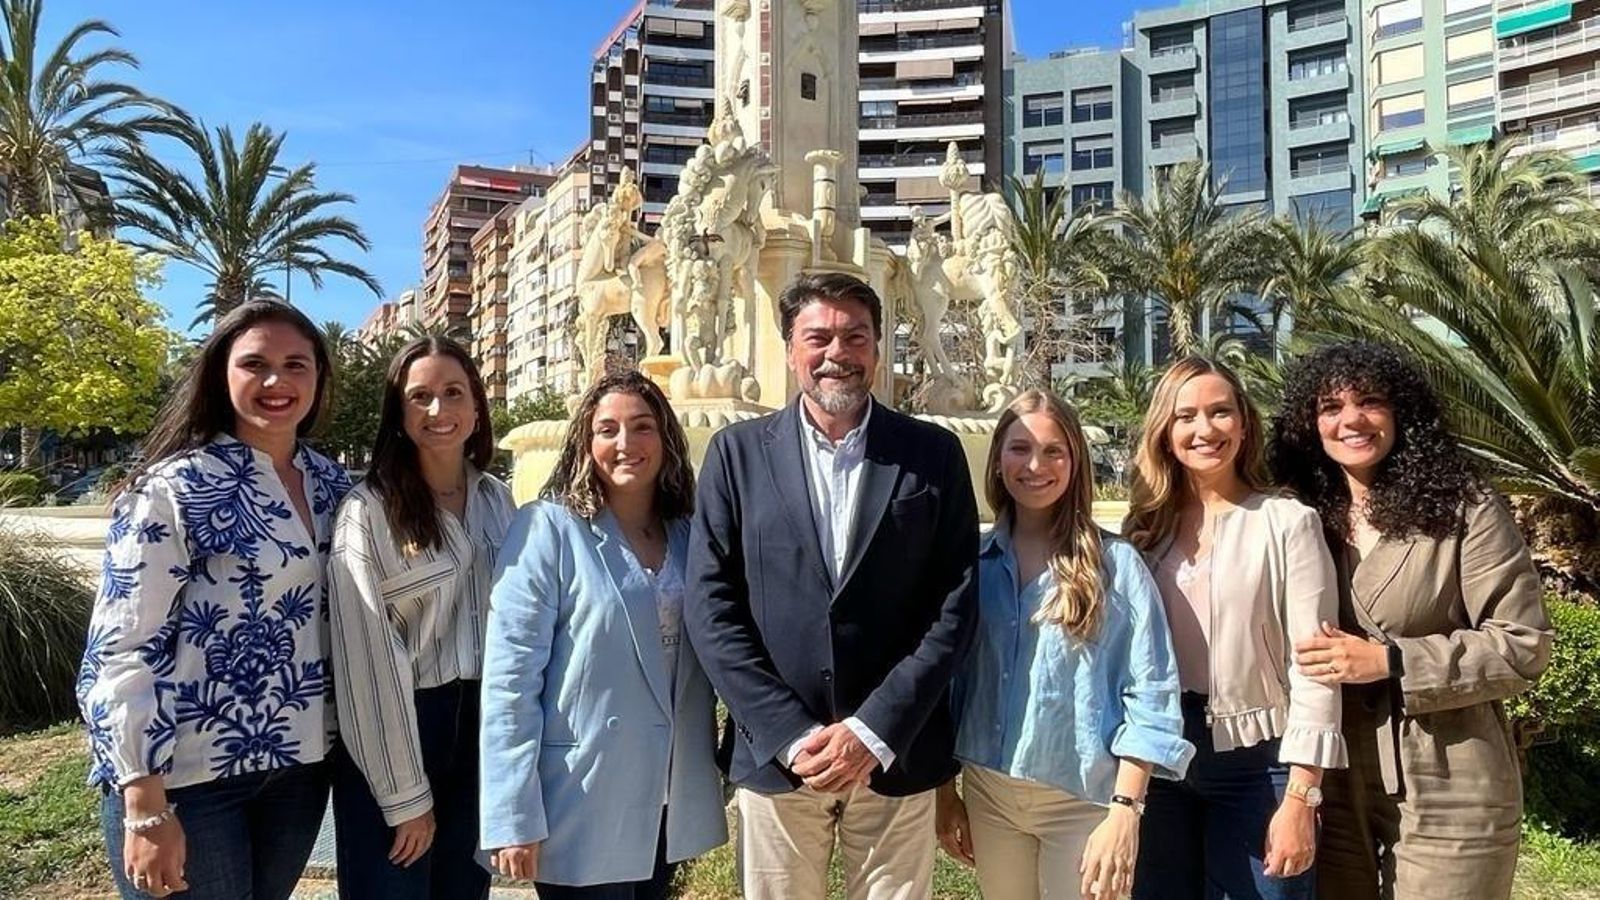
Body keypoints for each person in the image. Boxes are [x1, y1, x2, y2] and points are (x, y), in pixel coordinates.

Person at [683, 272, 979, 900]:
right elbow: (712, 607)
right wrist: (791, 735)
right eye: (818, 337)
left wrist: (873, 731)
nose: (836, 354)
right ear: (790, 348)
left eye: (855, 337)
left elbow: (953, 608)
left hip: (896, 753)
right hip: (781, 759)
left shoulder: (934, 454)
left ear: (877, 348)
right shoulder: (735, 455)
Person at [76, 300, 352, 900]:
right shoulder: (172, 489)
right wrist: (145, 803)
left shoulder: (340, 488)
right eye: (255, 363)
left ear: (319, 378)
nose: (277, 382)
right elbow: (121, 648)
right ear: (221, 374)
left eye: (296, 365)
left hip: (299, 771)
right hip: (188, 778)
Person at [1269, 342, 1552, 900]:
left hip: (1451, 775)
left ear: (1403, 413)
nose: (1351, 419)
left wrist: (1391, 661)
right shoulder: (1294, 515)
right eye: (1330, 406)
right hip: (1331, 775)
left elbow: (1523, 644)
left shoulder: (1464, 507)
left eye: (1370, 401)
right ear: (1310, 423)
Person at [936, 389, 1193, 900]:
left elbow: (1153, 695)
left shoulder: (1116, 567)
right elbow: (946, 684)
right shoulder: (971, 563)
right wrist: (945, 793)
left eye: (1054, 450)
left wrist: (1126, 813)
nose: (1036, 465)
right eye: (1020, 448)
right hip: (990, 796)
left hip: (1082, 802)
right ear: (998, 459)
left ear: (1076, 460)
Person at [480, 370, 727, 899]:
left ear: (665, 439)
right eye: (607, 429)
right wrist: (511, 814)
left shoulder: (689, 533)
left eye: (642, 427)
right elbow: (510, 683)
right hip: (582, 792)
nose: (625, 444)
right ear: (584, 443)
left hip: (669, 795)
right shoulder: (547, 528)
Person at [1123, 356, 1347, 900]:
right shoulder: (1142, 533)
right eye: (1187, 416)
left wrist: (1302, 796)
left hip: (1260, 762)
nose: (1205, 429)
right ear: (1165, 433)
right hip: (1161, 756)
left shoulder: (1288, 523)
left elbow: (1316, 667)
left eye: (1220, 412)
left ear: (1244, 424)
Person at [326, 337, 513, 899]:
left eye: (453, 393)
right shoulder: (370, 510)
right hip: (400, 730)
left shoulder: (497, 500)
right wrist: (404, 795)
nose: (439, 410)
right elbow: (367, 660)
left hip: (481, 730)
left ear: (477, 407)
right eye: (421, 397)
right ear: (400, 414)